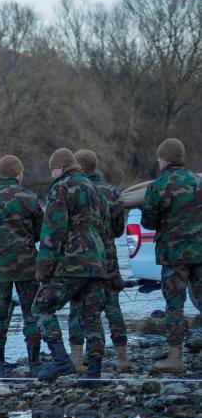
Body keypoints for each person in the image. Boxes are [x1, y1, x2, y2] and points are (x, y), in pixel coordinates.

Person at [33, 149, 108, 383]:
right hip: (96, 261)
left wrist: (43, 269)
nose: (51, 174)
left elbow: (52, 232)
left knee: (42, 307)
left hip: (71, 262)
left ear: (61, 167)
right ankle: (94, 371)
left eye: (52, 169)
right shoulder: (93, 188)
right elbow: (103, 225)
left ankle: (60, 360)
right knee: (92, 315)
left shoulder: (61, 188)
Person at [0, 155, 43, 377]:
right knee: (31, 312)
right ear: (18, 173)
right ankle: (34, 363)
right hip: (27, 265)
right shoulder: (30, 198)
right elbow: (40, 232)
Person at [140, 138, 202, 374]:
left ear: (164, 159)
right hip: (200, 252)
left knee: (174, 305)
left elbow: (149, 222)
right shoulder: (198, 182)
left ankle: (175, 358)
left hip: (174, 256)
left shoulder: (158, 186)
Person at [74, 149, 130, 373]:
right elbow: (118, 231)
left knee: (78, 307)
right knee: (112, 306)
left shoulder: (73, 191)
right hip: (108, 259)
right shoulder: (113, 193)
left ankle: (77, 359)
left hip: (80, 259)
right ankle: (122, 358)